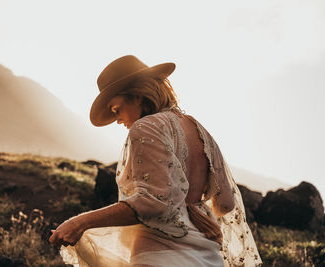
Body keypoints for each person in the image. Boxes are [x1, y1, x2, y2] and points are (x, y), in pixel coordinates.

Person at [49, 55, 262, 267]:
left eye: (116, 109)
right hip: (207, 258)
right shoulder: (202, 133)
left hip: (160, 257)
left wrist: (79, 222)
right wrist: (191, 210)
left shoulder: (146, 127)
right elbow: (226, 203)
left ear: (137, 96)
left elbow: (153, 202)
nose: (118, 119)